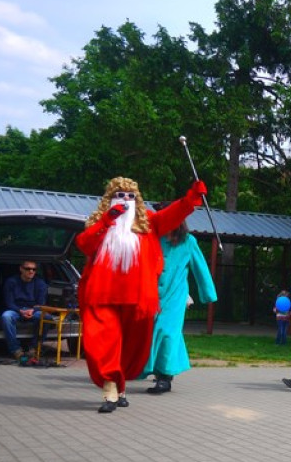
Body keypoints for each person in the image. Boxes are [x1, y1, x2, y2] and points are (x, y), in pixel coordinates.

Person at [76, 176, 204, 413]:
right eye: (120, 195)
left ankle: (119, 387)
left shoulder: (148, 224)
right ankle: (110, 390)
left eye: (130, 196)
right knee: (102, 343)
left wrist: (191, 198)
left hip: (137, 299)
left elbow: (173, 215)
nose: (125, 199)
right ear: (109, 199)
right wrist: (107, 220)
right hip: (102, 296)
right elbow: (84, 244)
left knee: (131, 348)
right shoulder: (100, 223)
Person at [141, 216, 217, 394]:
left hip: (175, 296)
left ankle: (164, 378)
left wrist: (208, 294)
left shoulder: (188, 242)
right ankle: (155, 370)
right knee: (155, 331)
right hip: (153, 294)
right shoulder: (153, 239)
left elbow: (200, 268)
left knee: (167, 332)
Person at [1, 260, 47, 362]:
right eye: (28, 269)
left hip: (33, 310)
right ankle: (16, 350)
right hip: (16, 310)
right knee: (6, 316)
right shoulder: (11, 282)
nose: (31, 271)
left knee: (46, 317)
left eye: (34, 269)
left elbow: (41, 303)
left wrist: (32, 310)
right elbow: (9, 302)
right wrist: (20, 311)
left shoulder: (40, 283)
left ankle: (34, 348)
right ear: (21, 269)